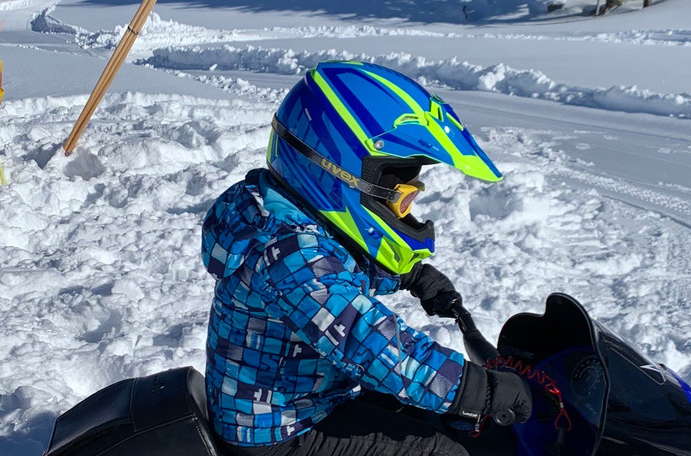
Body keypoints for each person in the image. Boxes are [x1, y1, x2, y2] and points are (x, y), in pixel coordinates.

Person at [202, 61, 533, 456]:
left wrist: (408, 278)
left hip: (297, 400)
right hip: (278, 431)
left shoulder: (282, 217)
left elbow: (334, 272)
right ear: (338, 172)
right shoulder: (289, 254)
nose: (406, 209)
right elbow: (370, 344)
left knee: (427, 417)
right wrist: (478, 389)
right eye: (401, 197)